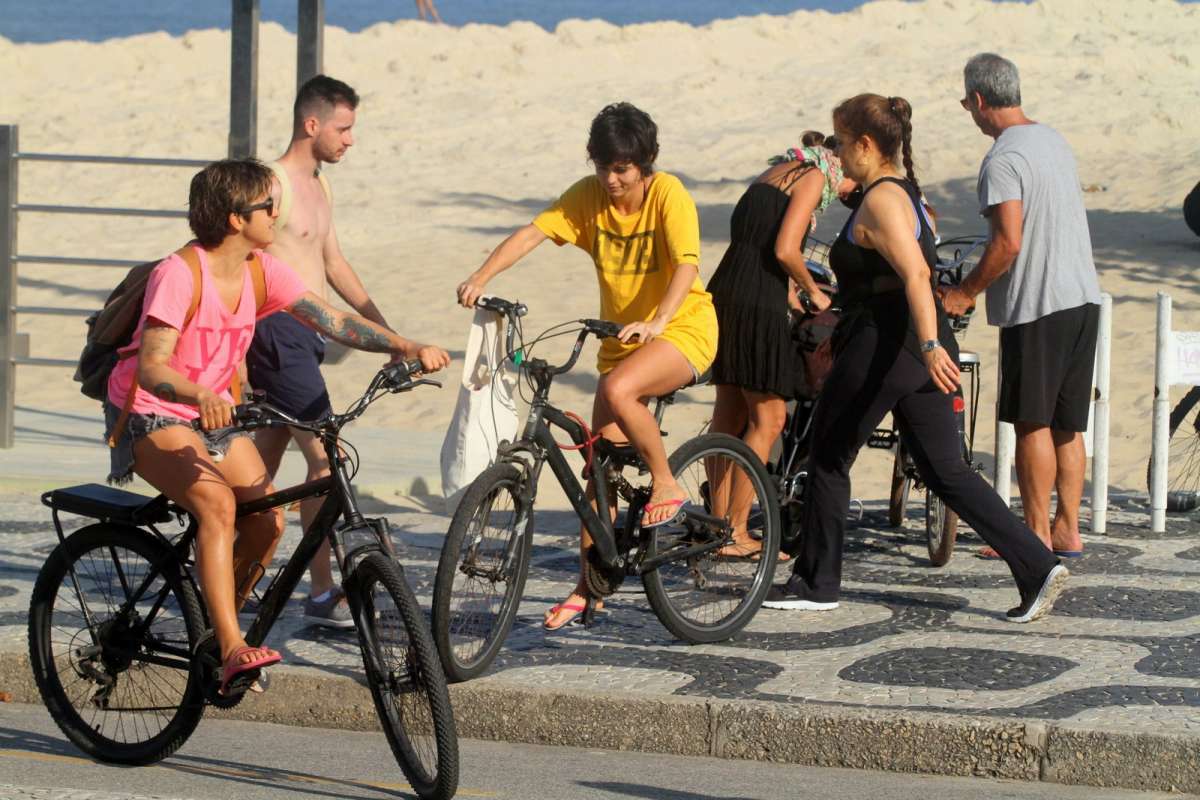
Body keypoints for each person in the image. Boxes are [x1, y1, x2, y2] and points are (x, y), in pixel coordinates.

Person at [104, 159, 448, 694]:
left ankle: (218, 633)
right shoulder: (180, 274)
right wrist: (198, 393)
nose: (277, 213)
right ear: (235, 219)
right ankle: (232, 645)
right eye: (267, 206)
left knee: (266, 520)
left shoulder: (261, 268)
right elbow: (152, 366)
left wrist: (401, 344)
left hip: (212, 414)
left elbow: (331, 320)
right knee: (218, 506)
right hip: (154, 412)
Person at [761, 93, 1068, 624]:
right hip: (914, 348)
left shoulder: (881, 199)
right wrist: (931, 346)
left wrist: (928, 346)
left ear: (865, 144)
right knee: (947, 471)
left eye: (840, 142)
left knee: (828, 457)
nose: (835, 152)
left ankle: (816, 582)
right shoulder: (905, 193)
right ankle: (1037, 566)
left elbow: (917, 276)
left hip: (888, 347)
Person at [456, 102, 718, 631]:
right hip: (622, 342)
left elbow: (687, 264)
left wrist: (658, 320)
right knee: (597, 474)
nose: (612, 179)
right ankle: (588, 589)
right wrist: (481, 276)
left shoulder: (668, 193)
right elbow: (532, 233)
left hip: (683, 329)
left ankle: (667, 482)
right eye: (604, 167)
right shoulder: (588, 196)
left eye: (622, 169)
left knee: (621, 391)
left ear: (645, 165)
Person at [940, 53, 1103, 558]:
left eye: (967, 102)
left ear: (981, 100)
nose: (969, 111)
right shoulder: (1052, 139)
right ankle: (1066, 528)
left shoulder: (1003, 157)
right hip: (1082, 297)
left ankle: (1033, 536)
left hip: (1038, 305)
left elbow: (1007, 243)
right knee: (1068, 424)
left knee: (1032, 421)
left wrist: (964, 292)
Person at [246, 75, 394, 628]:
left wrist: (383, 331)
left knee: (260, 464)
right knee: (323, 458)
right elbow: (244, 262)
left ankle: (221, 569)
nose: (350, 139)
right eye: (344, 127)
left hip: (309, 340)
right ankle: (321, 592)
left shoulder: (320, 185)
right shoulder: (273, 183)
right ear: (312, 125)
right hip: (278, 333)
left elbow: (333, 263)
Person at [706, 131, 854, 559]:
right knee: (769, 419)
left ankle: (714, 527)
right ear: (839, 163)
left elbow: (757, 250)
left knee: (728, 415)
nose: (846, 196)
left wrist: (795, 297)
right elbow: (786, 250)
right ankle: (735, 532)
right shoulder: (811, 178)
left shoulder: (775, 171)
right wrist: (816, 291)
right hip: (756, 302)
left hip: (727, 293)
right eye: (850, 189)